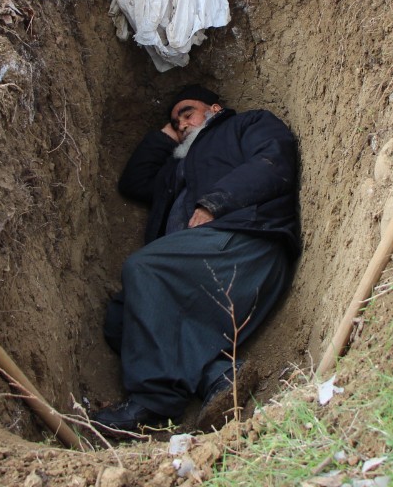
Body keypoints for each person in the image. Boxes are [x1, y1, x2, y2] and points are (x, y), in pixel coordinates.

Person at [92, 85, 299, 436]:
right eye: (175, 121)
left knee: (142, 267)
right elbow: (134, 182)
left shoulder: (245, 125)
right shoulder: (175, 172)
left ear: (214, 108)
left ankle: (154, 401)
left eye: (187, 113)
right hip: (190, 269)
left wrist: (215, 204)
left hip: (245, 244)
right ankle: (220, 375)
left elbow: (274, 159)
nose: (182, 123)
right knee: (121, 321)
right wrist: (167, 135)